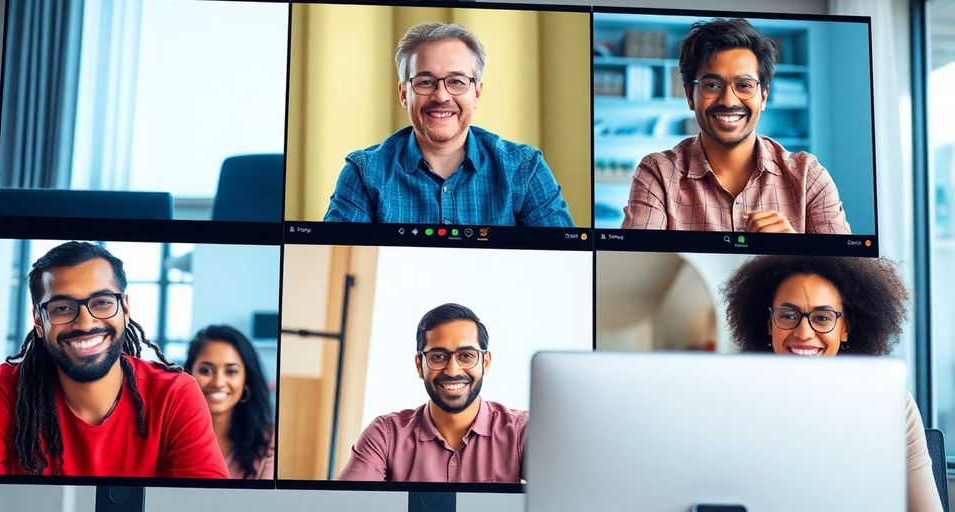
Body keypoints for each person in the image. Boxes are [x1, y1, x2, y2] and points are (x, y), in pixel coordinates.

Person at [0, 241, 228, 478]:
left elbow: (211, 503)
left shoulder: (175, 393)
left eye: (102, 302)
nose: (85, 322)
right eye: (62, 308)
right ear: (38, 320)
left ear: (125, 308)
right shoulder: (5, 389)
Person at [722, 255, 942, 512]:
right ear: (770, 324)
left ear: (845, 328)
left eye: (823, 318)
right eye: (788, 315)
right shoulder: (734, 400)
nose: (804, 332)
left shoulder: (890, 401)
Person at [323, 22, 574, 227]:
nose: (441, 96)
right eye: (425, 82)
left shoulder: (524, 168)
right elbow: (336, 263)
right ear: (403, 94)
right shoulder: (364, 172)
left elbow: (563, 264)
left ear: (476, 93)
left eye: (456, 81)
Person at [621, 18, 851, 234]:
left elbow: (846, 273)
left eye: (744, 85)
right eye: (712, 85)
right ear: (690, 97)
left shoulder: (808, 177)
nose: (729, 101)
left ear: (763, 97)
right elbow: (633, 263)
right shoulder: (658, 174)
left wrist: (794, 251)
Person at [338, 303, 526, 482]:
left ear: (485, 363)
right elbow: (346, 505)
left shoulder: (521, 432)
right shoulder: (386, 436)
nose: (453, 371)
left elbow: (554, 496)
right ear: (419, 366)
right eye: (438, 357)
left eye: (466, 356)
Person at [185, 325, 275, 479]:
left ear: (246, 380)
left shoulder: (270, 441)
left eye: (231, 371)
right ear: (188, 374)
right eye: (206, 370)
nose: (218, 382)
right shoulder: (169, 435)